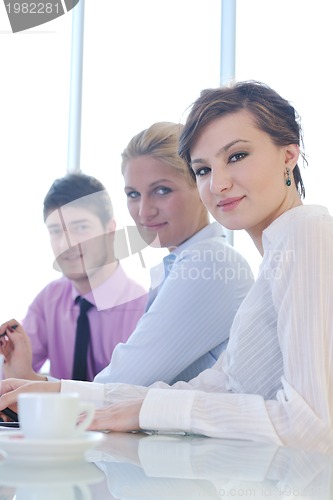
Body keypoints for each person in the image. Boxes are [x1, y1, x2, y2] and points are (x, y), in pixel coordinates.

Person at [0, 122, 253, 386]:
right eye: (133, 194)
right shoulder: (185, 266)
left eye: (162, 190)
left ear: (201, 182)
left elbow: (122, 385)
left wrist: (33, 385)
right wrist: (27, 381)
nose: (144, 211)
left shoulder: (209, 264)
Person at [0, 173, 148, 381]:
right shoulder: (49, 300)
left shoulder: (142, 309)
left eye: (80, 227)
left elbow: (130, 396)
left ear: (110, 230)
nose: (66, 244)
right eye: (56, 231)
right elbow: (11, 372)